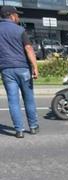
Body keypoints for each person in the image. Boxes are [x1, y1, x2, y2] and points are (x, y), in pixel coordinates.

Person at [0, 6, 39, 138]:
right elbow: (28, 48)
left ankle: (19, 130)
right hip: (23, 68)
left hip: (6, 70)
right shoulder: (20, 30)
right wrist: (35, 67)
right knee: (29, 99)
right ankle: (33, 127)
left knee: (13, 101)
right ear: (11, 15)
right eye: (17, 15)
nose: (18, 17)